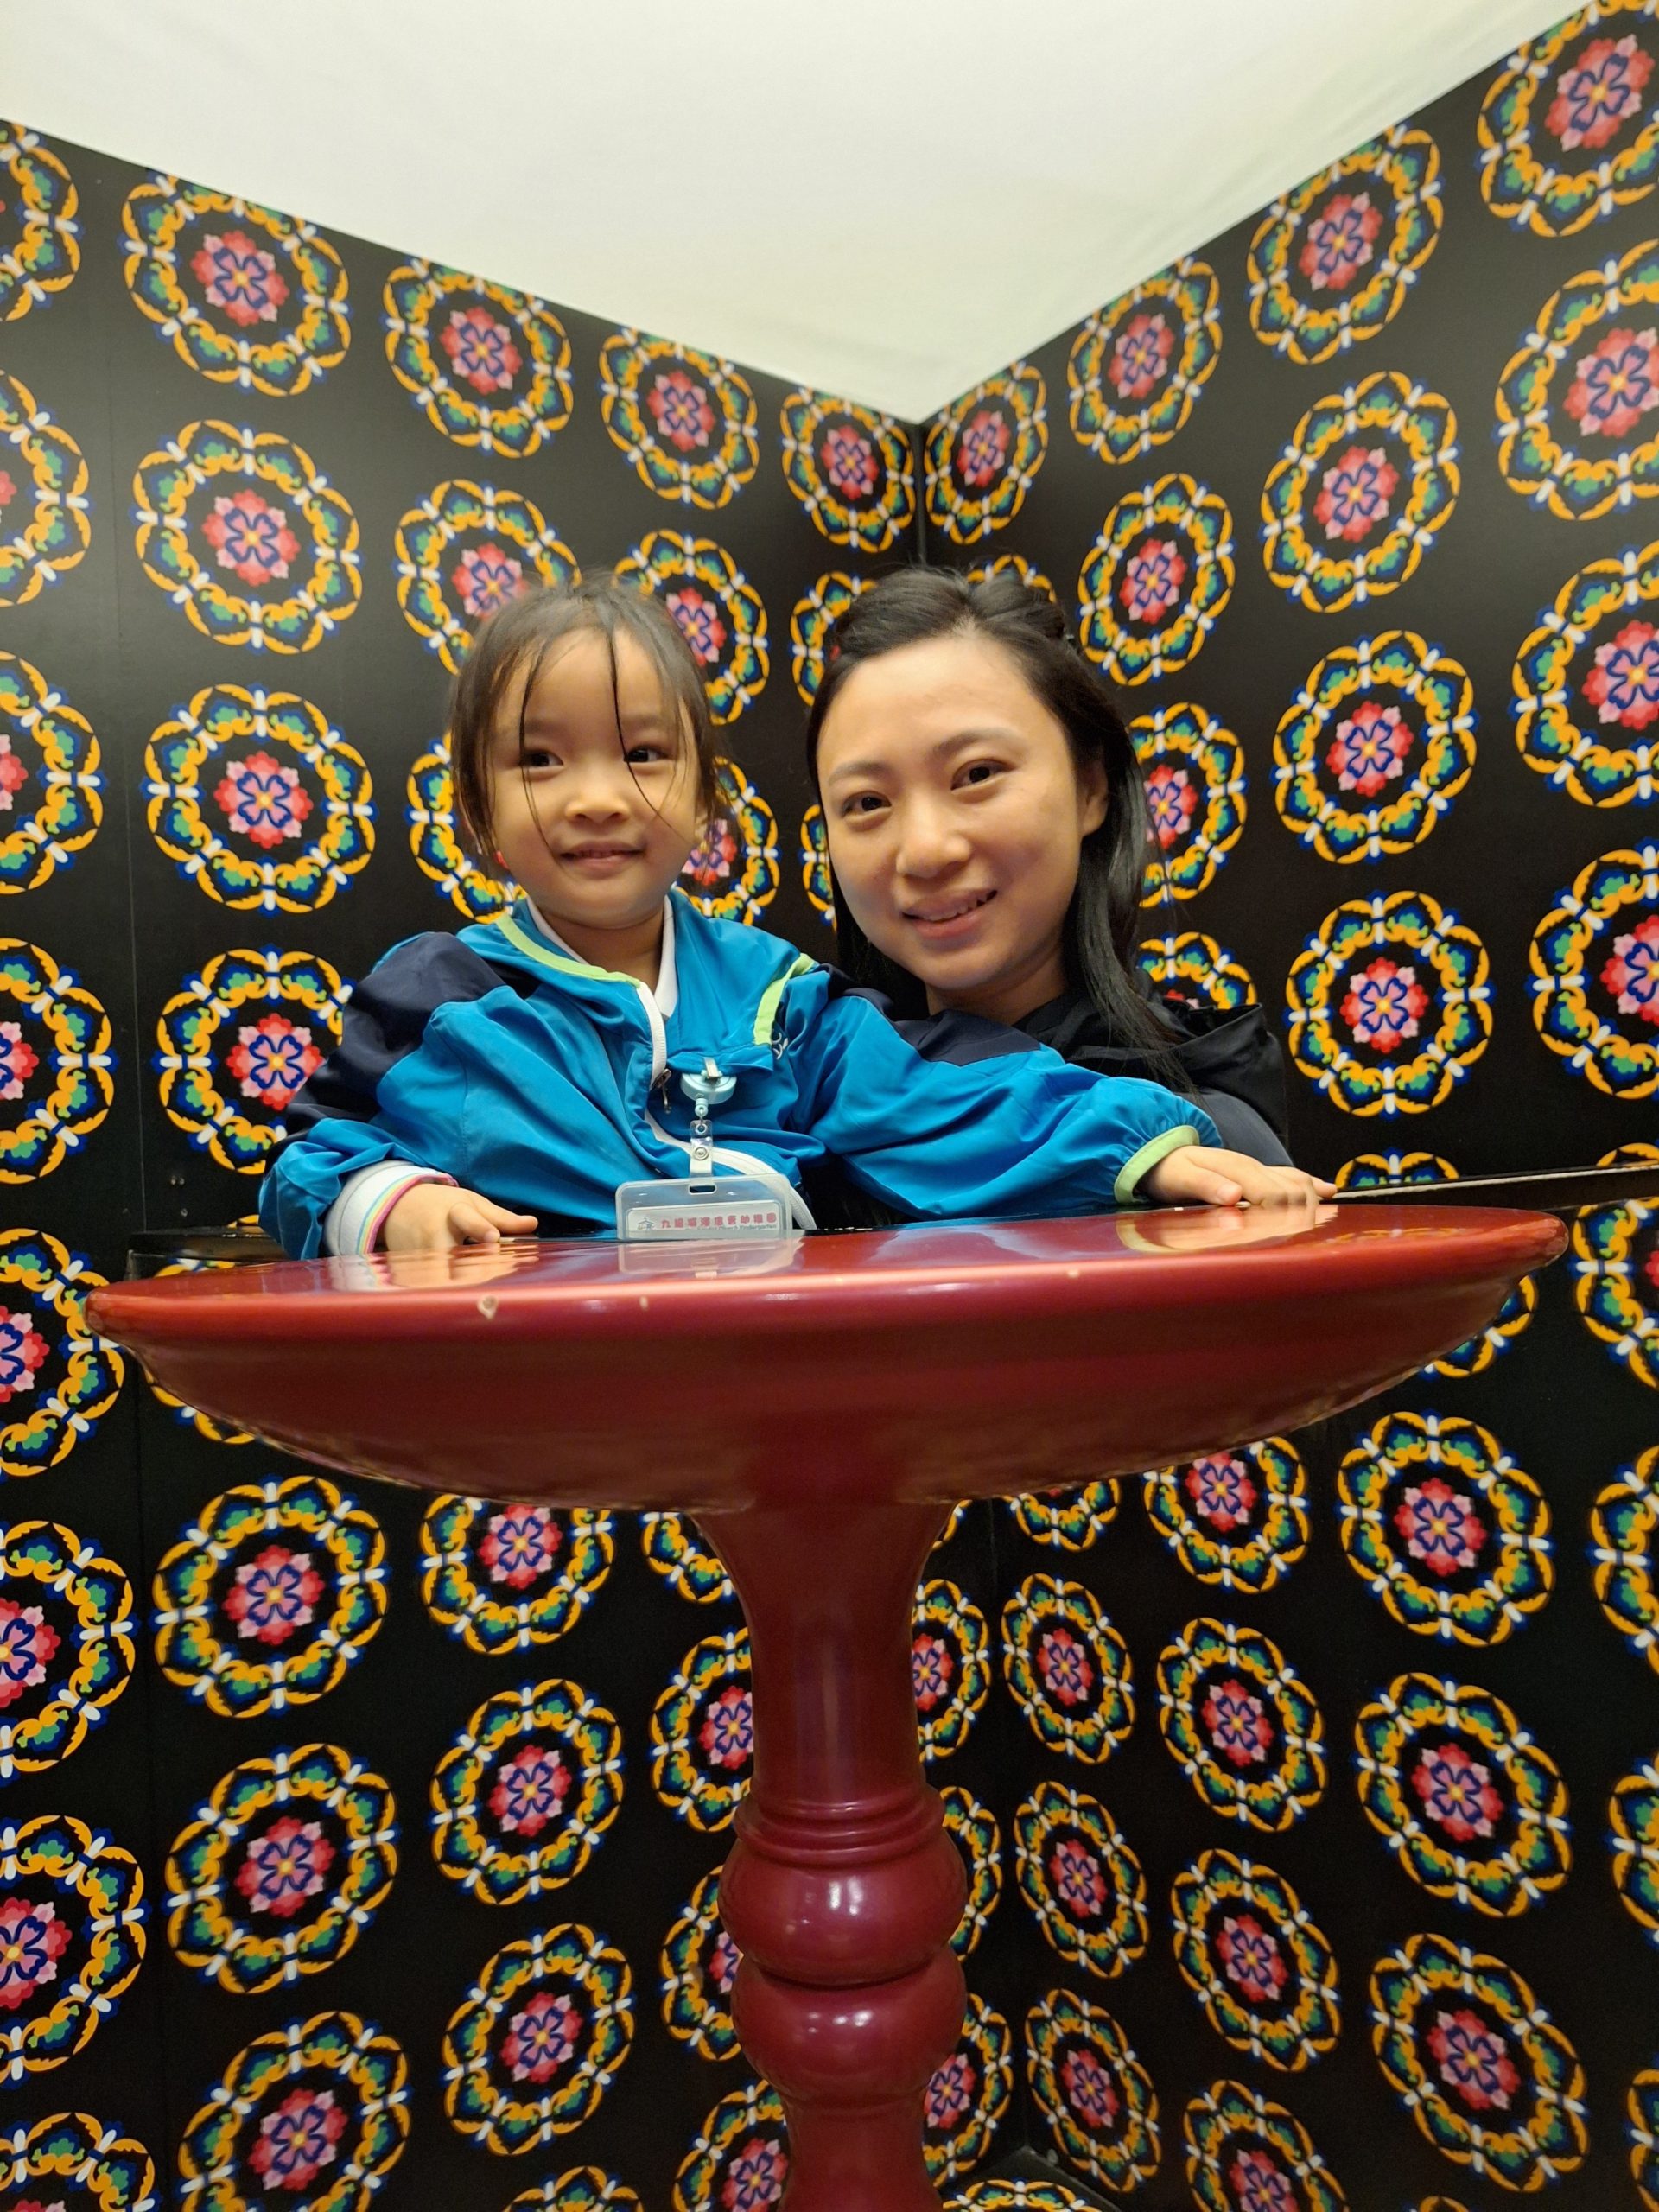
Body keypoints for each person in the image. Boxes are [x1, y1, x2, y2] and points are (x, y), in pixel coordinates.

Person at [261, 578, 1321, 1261]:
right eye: (539, 759)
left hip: (782, 1362)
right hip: (564, 1383)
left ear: (705, 803)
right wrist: (391, 1202)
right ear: (477, 815)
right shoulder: (441, 996)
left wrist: (1143, 1147)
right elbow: (316, 1155)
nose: (595, 796)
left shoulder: (782, 997)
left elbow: (930, 1100)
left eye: (642, 753)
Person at [808, 567, 1324, 1211]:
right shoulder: (800, 1114)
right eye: (866, 802)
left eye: (976, 774)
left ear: (1090, 789)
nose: (926, 849)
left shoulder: (1199, 1142)